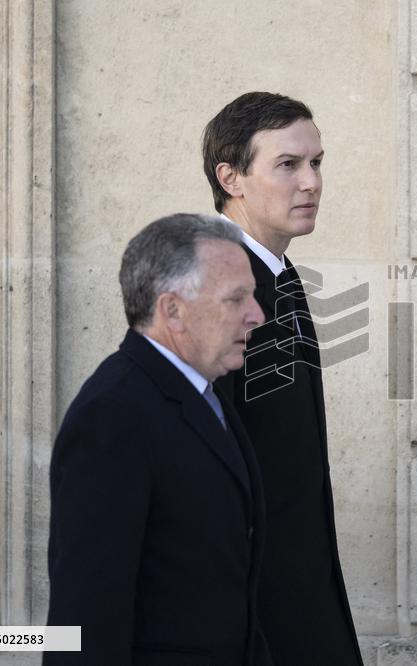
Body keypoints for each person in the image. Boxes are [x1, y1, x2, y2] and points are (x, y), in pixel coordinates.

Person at [45, 214, 271, 665]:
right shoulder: (113, 415)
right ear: (172, 311)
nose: (257, 315)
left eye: (254, 296)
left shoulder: (205, 391)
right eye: (236, 299)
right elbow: (86, 615)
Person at [202, 92, 363, 665]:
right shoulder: (216, 290)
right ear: (232, 178)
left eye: (317, 162)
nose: (312, 182)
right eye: (288, 165)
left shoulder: (278, 274)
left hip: (299, 593)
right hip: (256, 617)